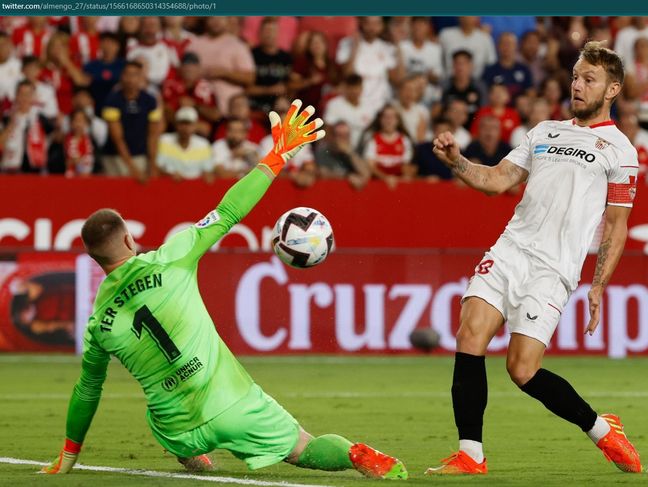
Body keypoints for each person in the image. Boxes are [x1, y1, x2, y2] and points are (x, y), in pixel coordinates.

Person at [41, 100, 408, 481]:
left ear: (95, 259)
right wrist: (277, 155)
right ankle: (357, 455)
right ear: (130, 239)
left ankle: (192, 455)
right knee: (303, 448)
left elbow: (87, 392)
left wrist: (69, 456)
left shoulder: (99, 322)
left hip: (176, 425)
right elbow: (230, 209)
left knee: (155, 412)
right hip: (234, 405)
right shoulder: (172, 257)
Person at [427, 41, 642, 475]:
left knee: (522, 369)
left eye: (589, 79)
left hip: (554, 269)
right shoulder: (544, 132)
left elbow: (617, 225)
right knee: (470, 334)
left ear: (613, 89)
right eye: (576, 76)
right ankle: (471, 455)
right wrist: (457, 161)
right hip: (511, 250)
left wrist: (598, 284)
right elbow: (496, 181)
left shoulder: (621, 151)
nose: (578, 86)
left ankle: (601, 429)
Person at [101, 60, 161, 180]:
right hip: (115, 157)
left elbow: (153, 134)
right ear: (122, 76)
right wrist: (132, 168)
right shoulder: (112, 101)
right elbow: (117, 138)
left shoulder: (150, 100)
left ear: (141, 77)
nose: (130, 79)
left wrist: (152, 162)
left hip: (140, 155)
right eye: (127, 74)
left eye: (134, 74)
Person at [156, 106, 214, 182]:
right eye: (181, 123)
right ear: (176, 125)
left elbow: (208, 172)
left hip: (195, 189)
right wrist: (169, 175)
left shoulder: (203, 145)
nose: (185, 128)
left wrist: (207, 176)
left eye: (188, 124)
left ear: (195, 126)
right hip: (170, 186)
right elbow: (156, 167)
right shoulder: (164, 141)